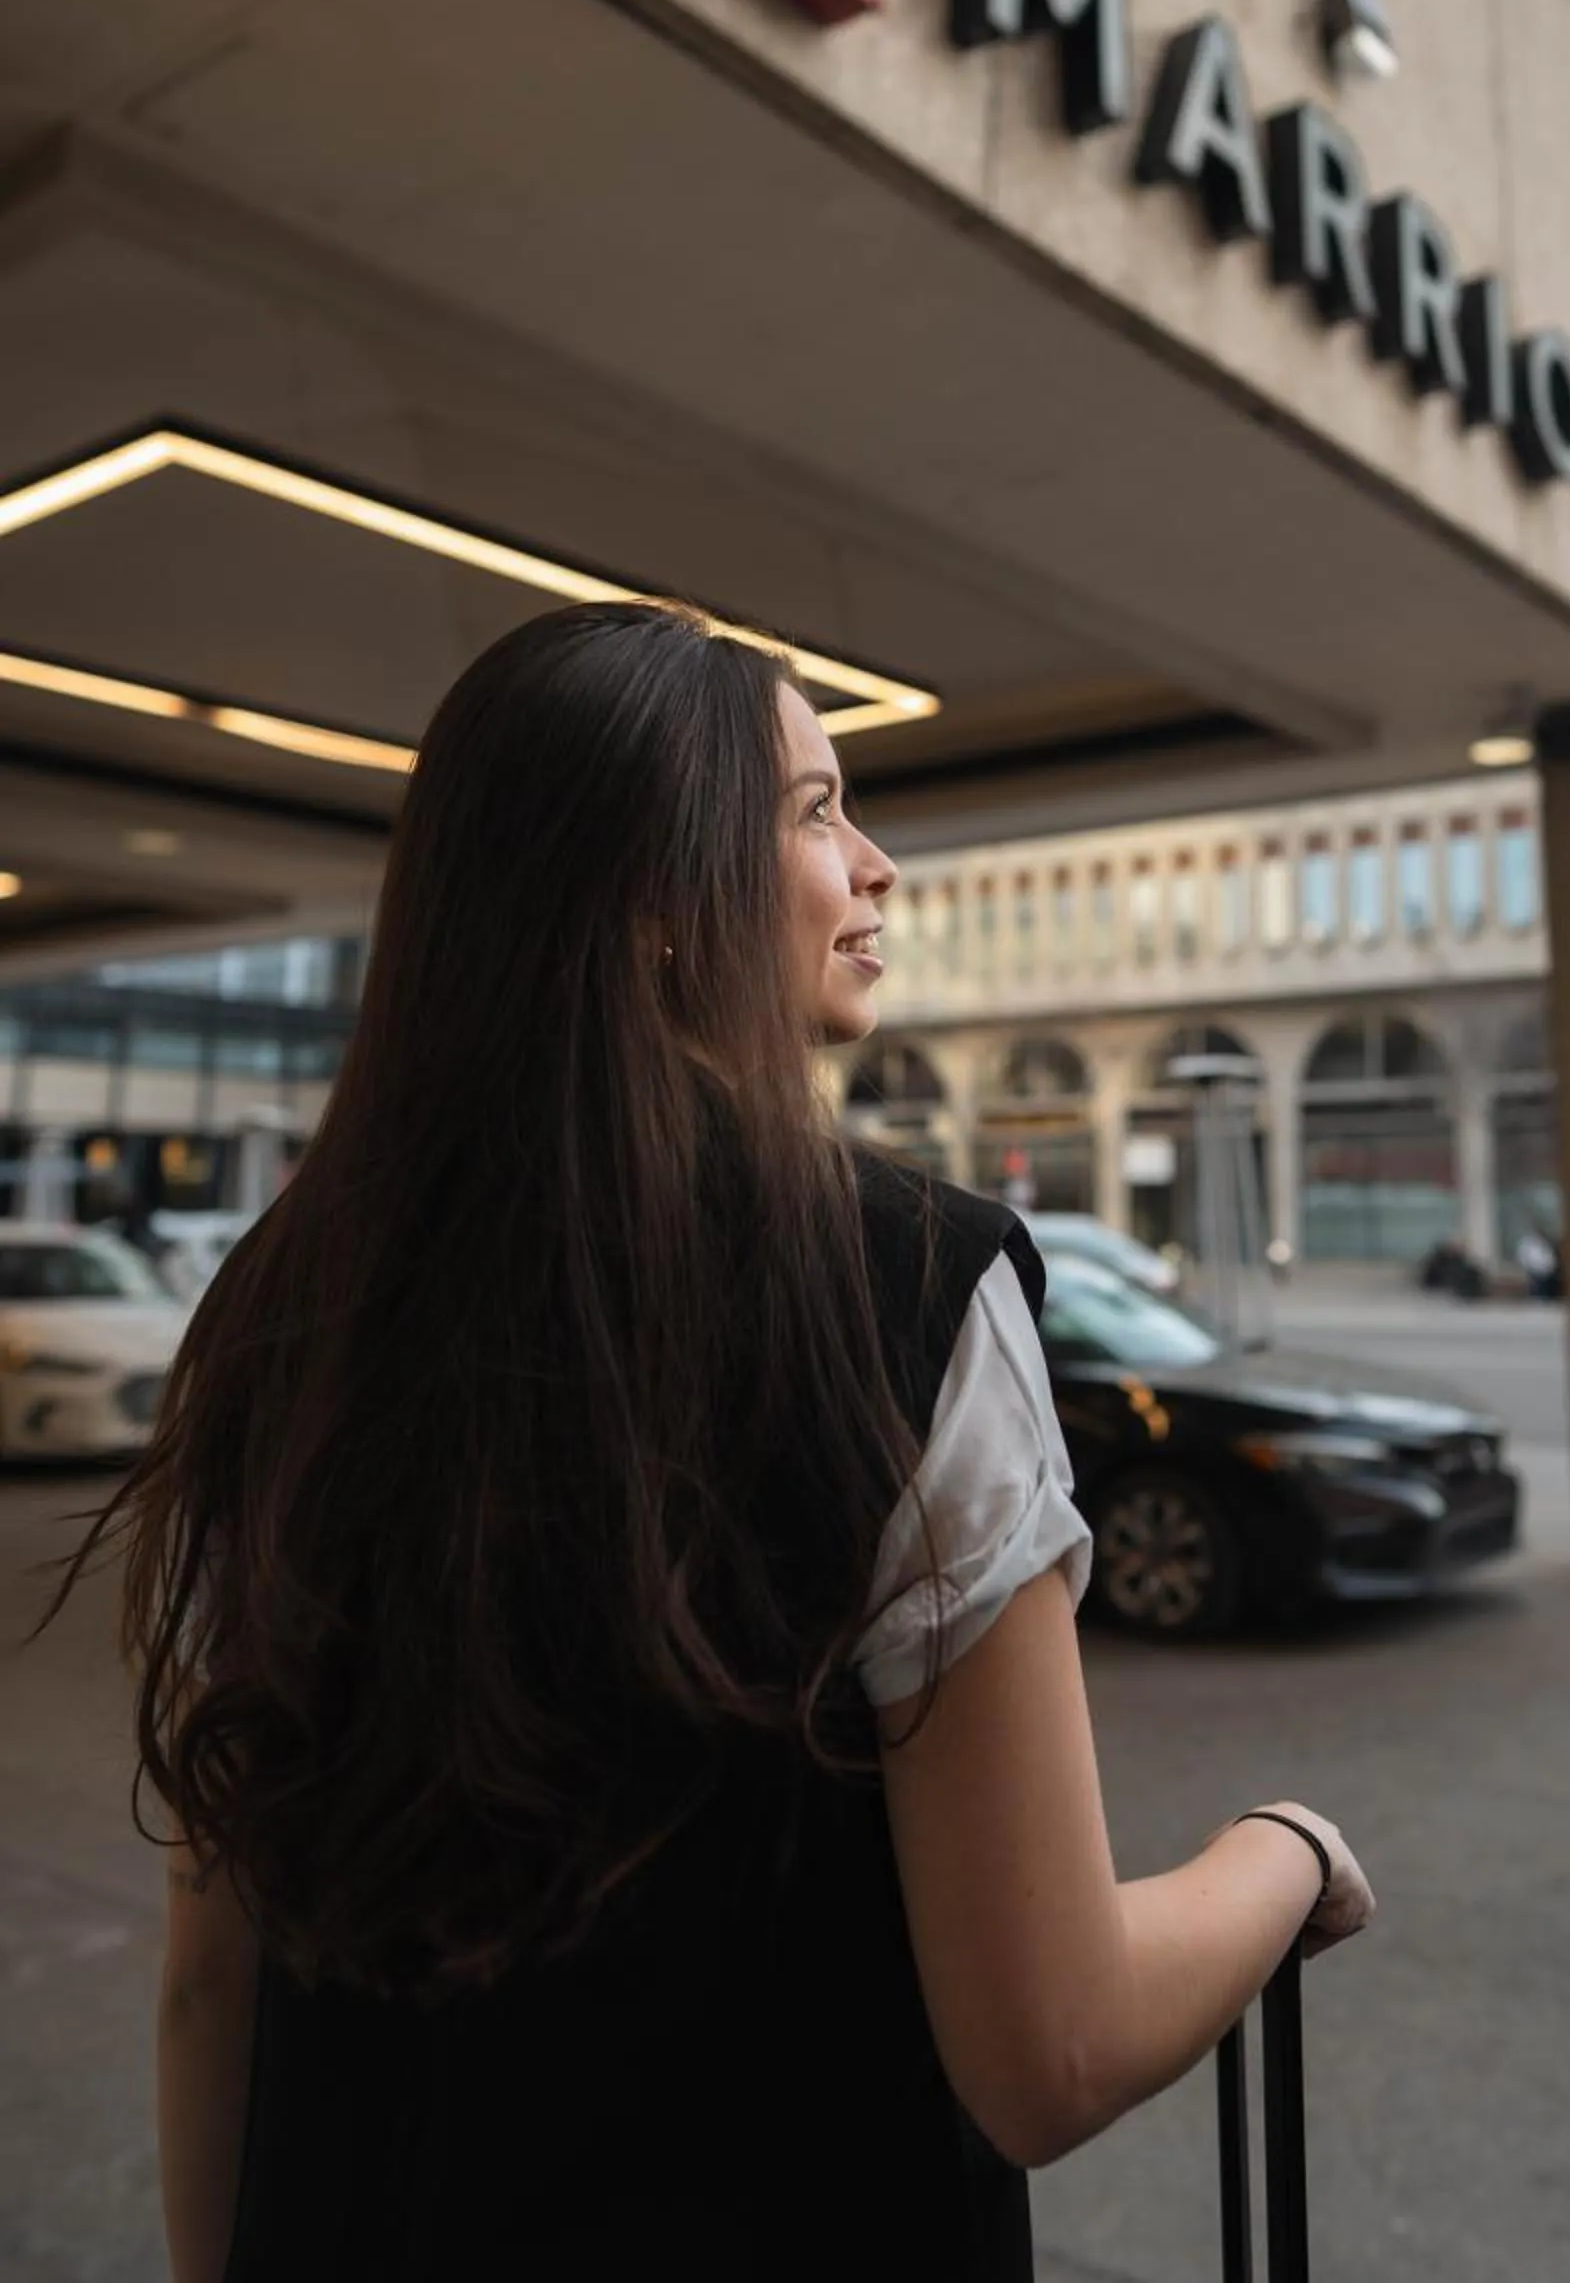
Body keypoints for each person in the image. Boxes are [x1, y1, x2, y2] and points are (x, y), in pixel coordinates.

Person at [62, 605, 1371, 2283]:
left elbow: (210, 1979)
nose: (875, 865)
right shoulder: (914, 1285)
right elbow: (1053, 2047)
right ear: (662, 905)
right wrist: (1283, 1856)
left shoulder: (286, 1300)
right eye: (817, 810)